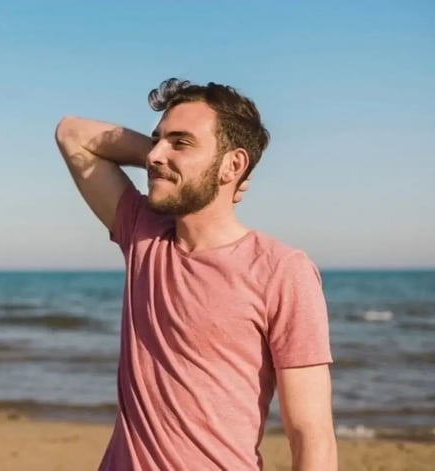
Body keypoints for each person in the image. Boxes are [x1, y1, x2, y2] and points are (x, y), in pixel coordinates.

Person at [54, 78, 336, 471]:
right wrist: (168, 159)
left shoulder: (282, 271)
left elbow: (311, 435)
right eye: (157, 140)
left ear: (233, 164)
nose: (154, 155)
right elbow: (72, 134)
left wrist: (183, 166)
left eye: (181, 142)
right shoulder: (143, 233)